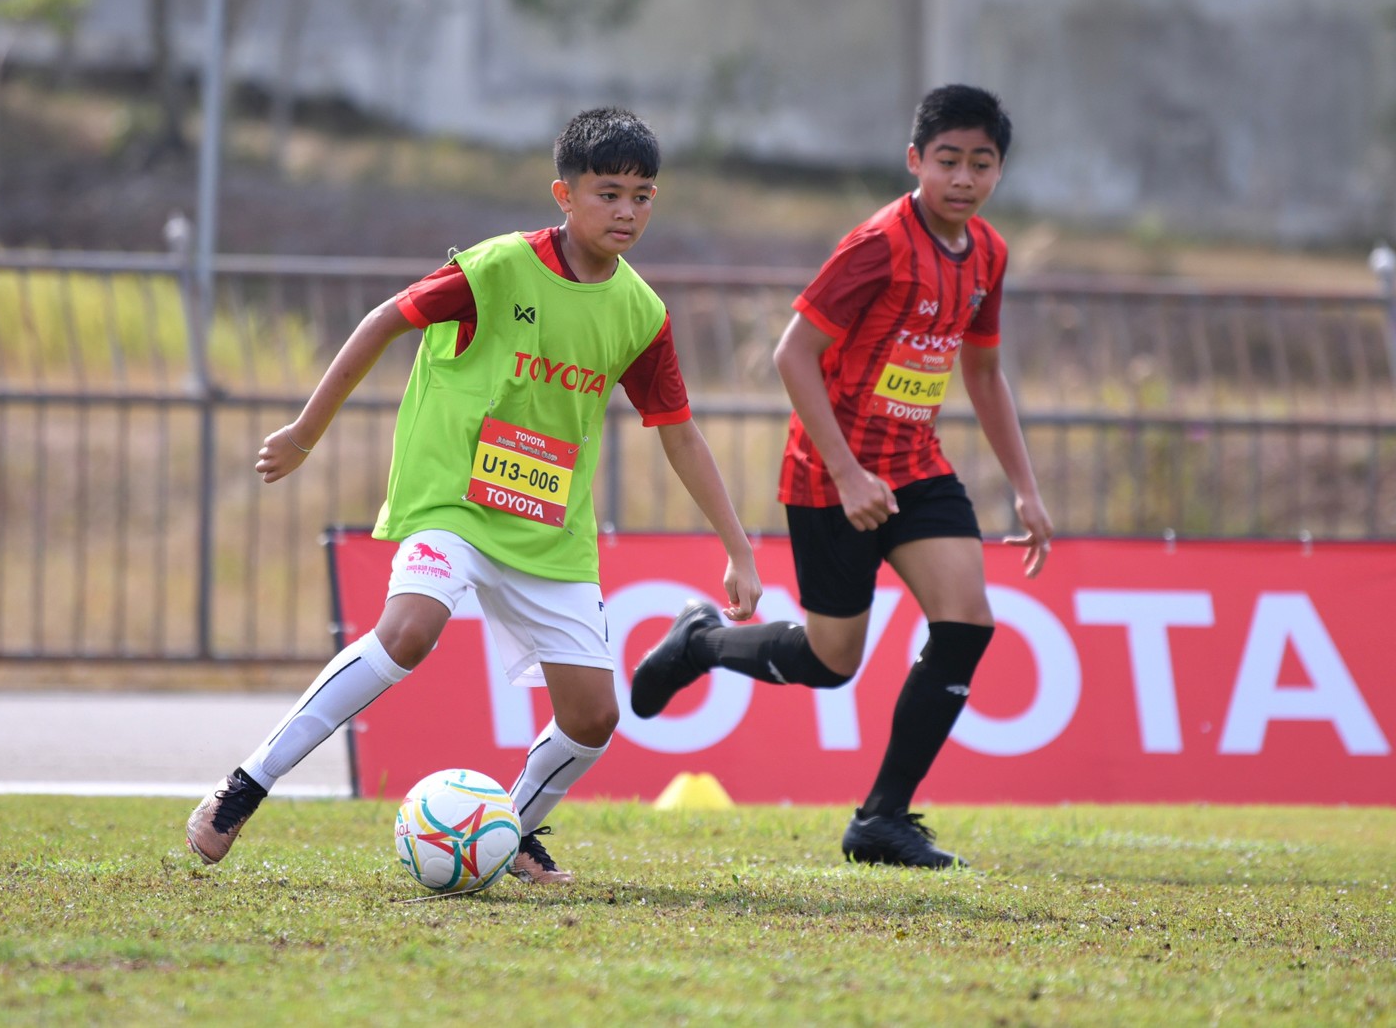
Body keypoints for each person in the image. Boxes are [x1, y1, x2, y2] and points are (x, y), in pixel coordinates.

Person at [186, 107, 762, 884]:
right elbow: (384, 321)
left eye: (643, 196)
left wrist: (737, 547)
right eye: (609, 193)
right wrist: (304, 431)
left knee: (593, 719)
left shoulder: (641, 312)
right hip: (453, 497)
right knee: (412, 629)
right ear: (564, 194)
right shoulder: (495, 268)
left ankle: (510, 831)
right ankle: (246, 784)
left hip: (549, 530)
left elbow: (679, 431)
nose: (627, 212)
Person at [629, 84, 1052, 869]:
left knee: (967, 624)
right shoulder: (880, 245)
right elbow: (793, 352)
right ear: (915, 160)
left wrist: (1024, 485)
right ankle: (702, 644)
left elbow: (985, 374)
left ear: (999, 171)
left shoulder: (988, 253)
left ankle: (882, 819)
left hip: (916, 469)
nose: (963, 178)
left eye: (981, 163)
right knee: (831, 663)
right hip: (832, 477)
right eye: (948, 160)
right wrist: (848, 471)